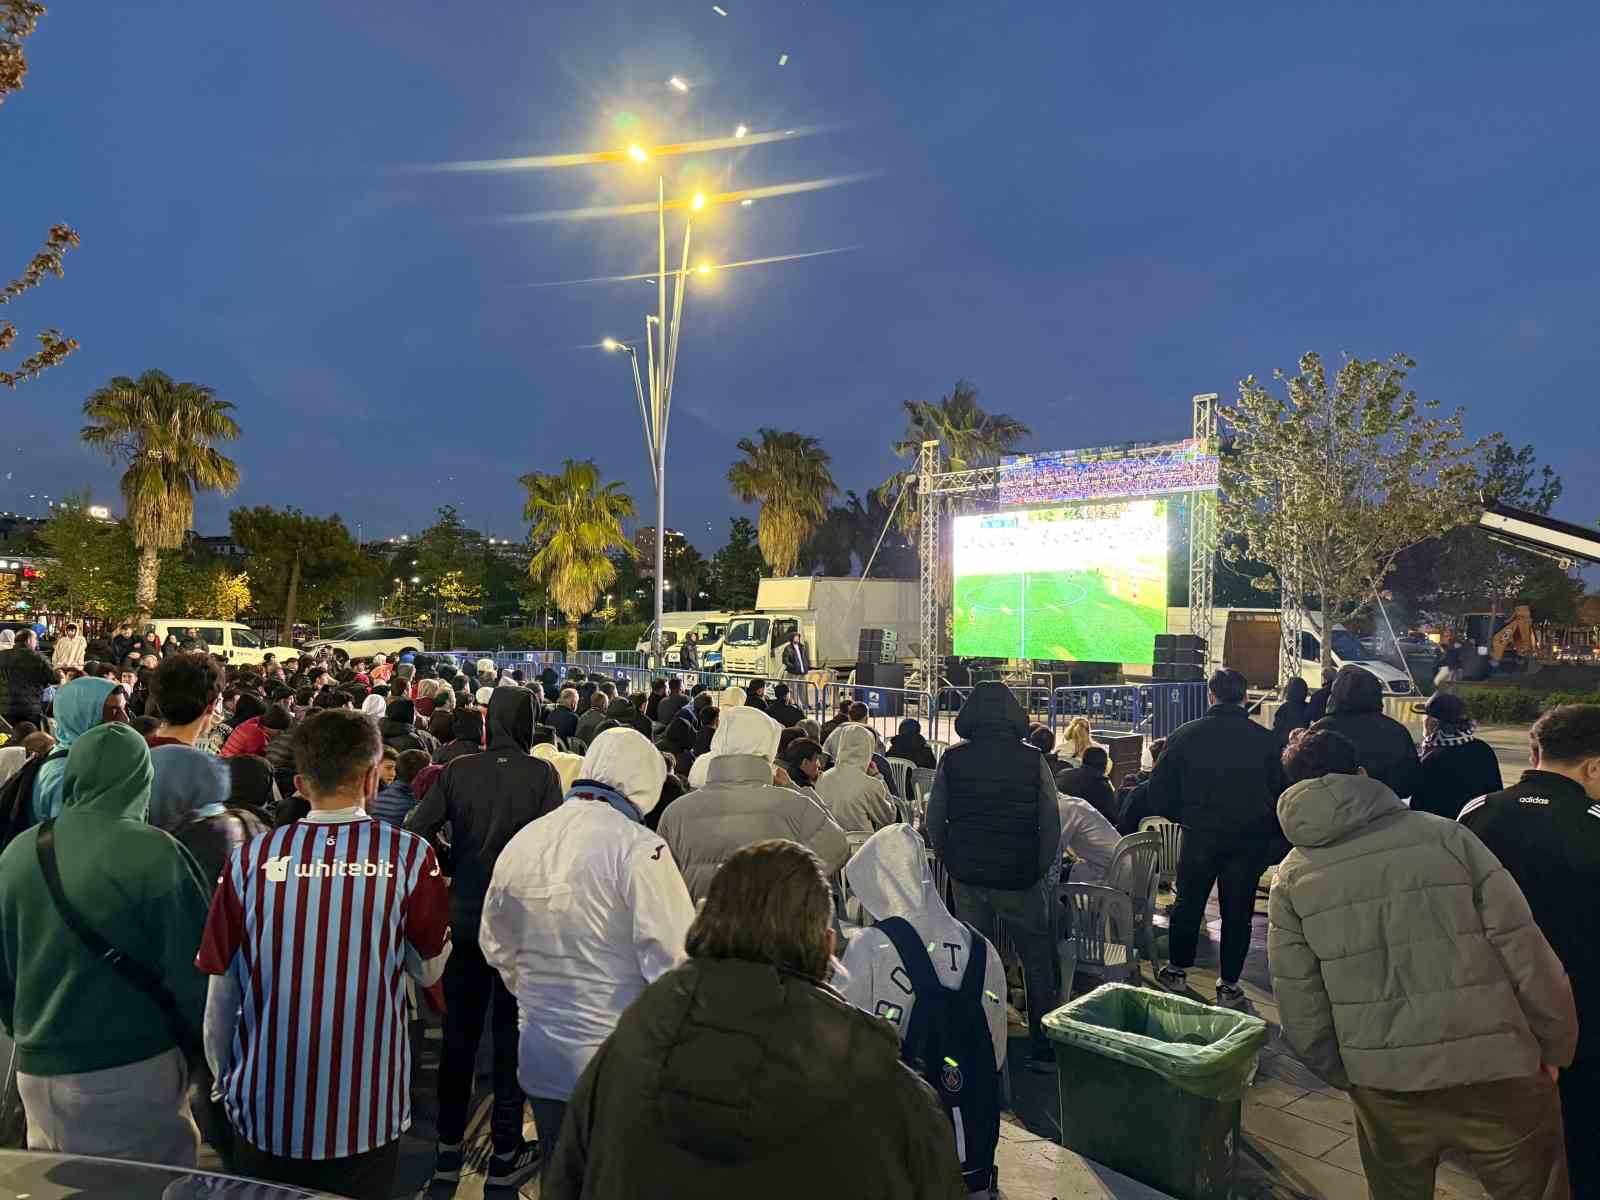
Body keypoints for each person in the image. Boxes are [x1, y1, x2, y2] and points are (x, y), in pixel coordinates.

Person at [545, 839, 965, 1200]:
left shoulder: (629, 1045)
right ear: (827, 943)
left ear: (705, 918)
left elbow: (566, 1178)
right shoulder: (894, 1094)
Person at [1269, 728, 1576, 1198]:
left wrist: (1347, 1072)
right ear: (1363, 773)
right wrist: (1555, 1044)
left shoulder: (1291, 877)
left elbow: (1298, 996)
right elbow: (1523, 948)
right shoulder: (1446, 835)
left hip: (1386, 1084)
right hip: (1498, 1067)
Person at [197, 709, 451, 1200]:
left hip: (265, 1103)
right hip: (368, 1109)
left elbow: (220, 996)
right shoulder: (412, 856)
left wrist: (224, 1082)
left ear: (299, 783)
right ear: (373, 778)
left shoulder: (250, 859)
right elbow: (429, 967)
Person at [482, 728, 696, 1173]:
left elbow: (495, 943)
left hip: (540, 1050)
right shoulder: (639, 848)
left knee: (559, 1170)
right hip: (617, 1060)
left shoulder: (525, 839)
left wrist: (540, 993)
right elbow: (674, 962)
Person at [0, 723, 211, 1166]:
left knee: (56, 1182)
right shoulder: (157, 853)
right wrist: (201, 1055)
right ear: (141, 781)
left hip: (38, 1068)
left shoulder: (19, 851)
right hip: (132, 1064)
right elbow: (194, 972)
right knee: (147, 1184)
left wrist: (27, 1029)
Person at [407, 686, 559, 1186]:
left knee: (459, 1035)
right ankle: (505, 1149)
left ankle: (447, 1145)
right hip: (519, 920)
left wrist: (451, 861)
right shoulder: (541, 774)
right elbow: (553, 845)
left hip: (467, 914)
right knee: (511, 1033)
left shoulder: (458, 771)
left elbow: (414, 826)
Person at [1460, 704, 1600, 1195]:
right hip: (1580, 1002)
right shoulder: (1594, 822)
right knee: (1580, 1124)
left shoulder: (1478, 812)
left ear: (1538, 751)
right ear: (1593, 766)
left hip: (1491, 997)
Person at [842, 824, 1006, 1197]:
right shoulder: (983, 950)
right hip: (974, 1157)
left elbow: (843, 1052)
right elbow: (995, 1055)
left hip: (897, 1157)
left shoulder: (869, 947)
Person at [924, 681, 1061, 1072]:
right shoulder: (1033, 760)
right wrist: (1037, 868)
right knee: (1036, 963)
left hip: (968, 877)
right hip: (1021, 876)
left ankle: (977, 1043)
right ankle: (1043, 1049)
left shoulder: (953, 759)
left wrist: (953, 860)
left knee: (974, 961)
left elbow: (935, 821)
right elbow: (1051, 822)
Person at [1148, 668, 1285, 1010]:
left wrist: (1186, 816)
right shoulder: (1265, 740)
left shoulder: (1185, 735)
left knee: (1188, 903)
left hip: (1200, 834)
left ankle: (1177, 970)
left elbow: (1158, 790)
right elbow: (1281, 793)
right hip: (1248, 839)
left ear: (1211, 696)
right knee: (1238, 912)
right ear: (1246, 698)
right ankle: (1230, 984)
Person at [660, 706, 850, 901]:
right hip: (777, 927)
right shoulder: (795, 805)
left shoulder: (675, 813)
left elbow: (662, 890)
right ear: (769, 747)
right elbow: (838, 847)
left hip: (701, 928)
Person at [1313, 666, 1421, 801]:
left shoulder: (1320, 730)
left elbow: (1306, 780)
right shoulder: (1397, 730)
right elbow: (1410, 782)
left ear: (1335, 693)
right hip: (1385, 813)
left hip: (1333, 812)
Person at [31, 676, 126, 825]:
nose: (125, 719)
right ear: (81, 715)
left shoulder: (83, 757)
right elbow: (71, 840)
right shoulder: (65, 773)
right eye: (113, 711)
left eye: (123, 709)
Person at [1406, 690, 1501, 821]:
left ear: (1433, 723)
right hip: (1479, 827)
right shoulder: (1483, 748)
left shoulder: (1433, 758)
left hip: (1443, 831)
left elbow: (1418, 806)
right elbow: (1495, 793)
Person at [814, 723, 897, 832]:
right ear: (868, 749)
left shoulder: (823, 778)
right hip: (862, 845)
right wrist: (878, 777)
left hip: (829, 842)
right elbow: (889, 817)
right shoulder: (871, 784)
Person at [0, 628, 56, 729]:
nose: (36, 642)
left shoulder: (1, 656)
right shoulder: (39, 657)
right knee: (31, 741)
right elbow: (53, 679)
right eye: (35, 639)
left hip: (4, 710)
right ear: (29, 640)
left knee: (7, 740)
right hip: (30, 709)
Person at [1054, 745, 1119, 823]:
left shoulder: (1063, 774)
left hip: (1057, 822)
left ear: (1082, 760)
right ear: (1104, 766)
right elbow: (1112, 819)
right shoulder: (1103, 787)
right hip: (1085, 829)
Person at [371, 747, 428, 827]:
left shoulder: (379, 796)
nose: (393, 774)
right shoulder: (416, 805)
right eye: (388, 768)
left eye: (395, 769)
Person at [1272, 677, 1312, 743]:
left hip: (1285, 743)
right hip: (1302, 742)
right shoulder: (1308, 707)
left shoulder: (1284, 708)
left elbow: (1277, 726)